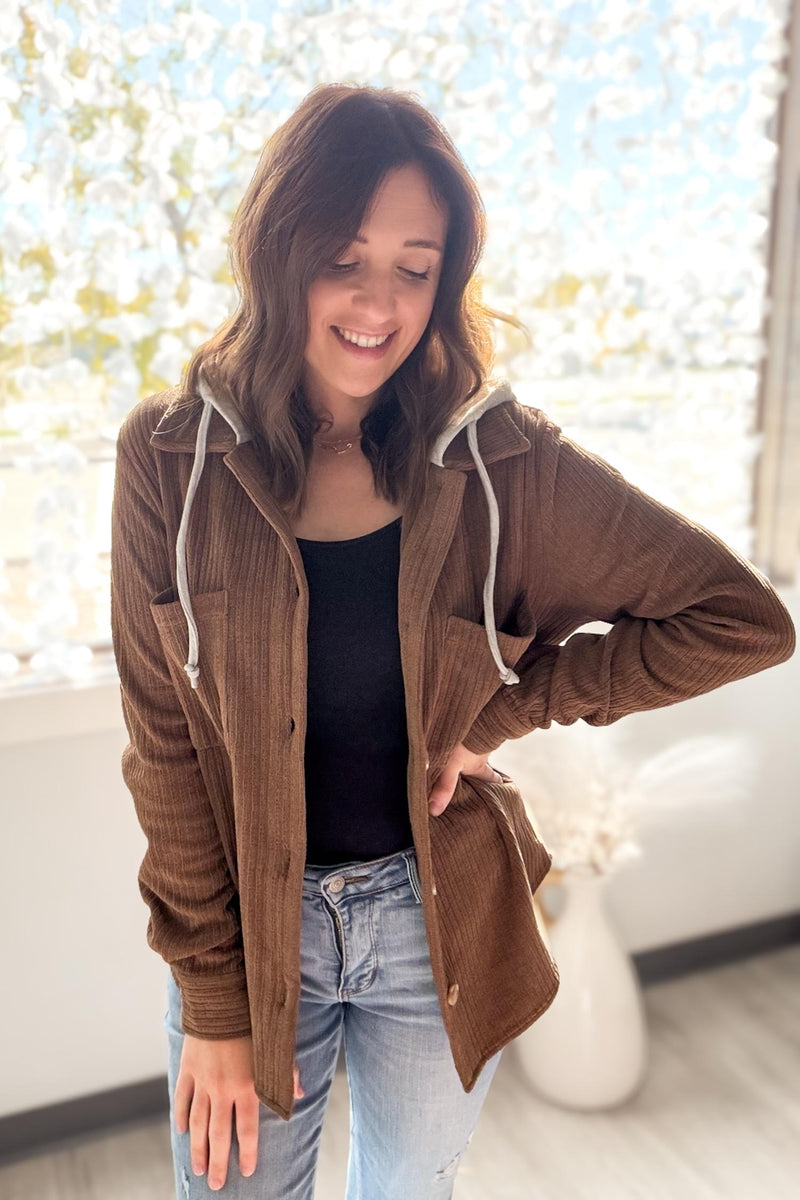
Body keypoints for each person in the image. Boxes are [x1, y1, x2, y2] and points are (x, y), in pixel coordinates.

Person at [110, 83, 796, 1200]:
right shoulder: (170, 458)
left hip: (429, 923)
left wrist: (507, 709)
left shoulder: (503, 465)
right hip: (245, 925)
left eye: (414, 267)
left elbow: (741, 620)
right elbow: (165, 750)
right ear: (277, 249)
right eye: (343, 258)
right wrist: (217, 1006)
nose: (377, 302)